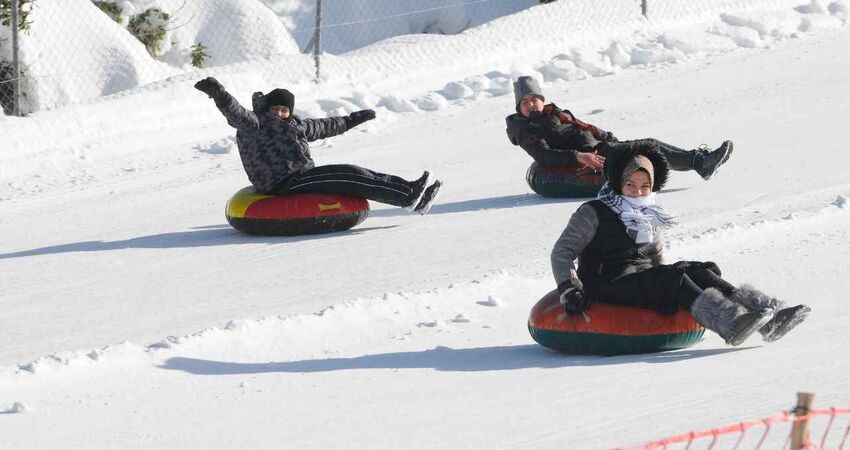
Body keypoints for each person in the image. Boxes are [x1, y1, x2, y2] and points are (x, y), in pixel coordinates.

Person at [550, 144, 810, 345]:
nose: (637, 192)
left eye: (644, 186)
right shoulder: (593, 211)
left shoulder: (650, 212)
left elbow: (656, 257)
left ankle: (770, 319)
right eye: (630, 185)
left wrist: (666, 284)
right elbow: (562, 253)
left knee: (698, 271)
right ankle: (732, 324)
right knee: (671, 279)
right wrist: (570, 289)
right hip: (606, 283)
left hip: (638, 280)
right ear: (618, 182)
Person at [194, 77, 442, 214]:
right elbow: (237, 114)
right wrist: (220, 95)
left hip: (301, 176)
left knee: (354, 172)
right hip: (283, 184)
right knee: (350, 175)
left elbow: (325, 126)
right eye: (276, 108)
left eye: (285, 109)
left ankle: (410, 190)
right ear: (268, 108)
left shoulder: (296, 124)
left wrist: (351, 119)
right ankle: (409, 198)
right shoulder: (256, 123)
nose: (280, 113)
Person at [505, 76, 732, 181]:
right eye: (525, 102)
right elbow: (544, 155)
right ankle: (700, 163)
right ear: (519, 107)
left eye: (535, 99)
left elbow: (580, 127)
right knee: (648, 148)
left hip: (598, 146)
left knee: (649, 142)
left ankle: (699, 161)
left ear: (542, 100)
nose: (531, 104)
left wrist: (607, 137)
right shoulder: (526, 130)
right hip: (589, 158)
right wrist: (578, 156)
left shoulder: (553, 113)